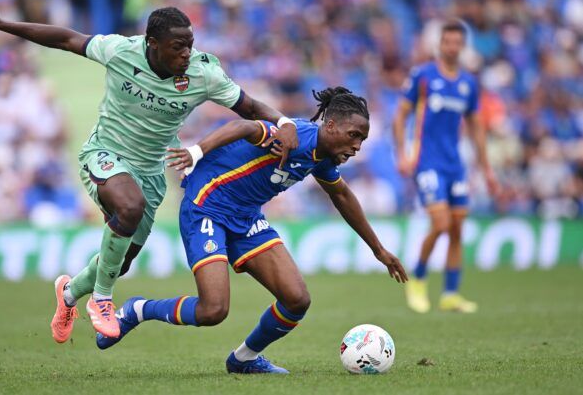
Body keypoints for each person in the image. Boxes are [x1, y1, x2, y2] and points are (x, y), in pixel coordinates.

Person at [0, 0, 299, 342]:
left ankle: (69, 293)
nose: (186, 53)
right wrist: (1, 24)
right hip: (105, 152)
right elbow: (65, 38)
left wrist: (285, 123)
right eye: (178, 47)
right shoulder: (121, 51)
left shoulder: (204, 74)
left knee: (120, 261)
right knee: (129, 207)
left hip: (151, 169)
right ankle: (102, 300)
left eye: (190, 45)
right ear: (152, 43)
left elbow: (250, 107)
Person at [97, 87, 408, 374]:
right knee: (213, 310)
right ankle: (138, 309)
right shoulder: (297, 136)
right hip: (207, 207)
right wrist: (197, 151)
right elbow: (245, 127)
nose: (357, 146)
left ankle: (244, 359)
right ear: (331, 126)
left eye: (362, 140)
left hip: (246, 218)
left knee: (297, 299)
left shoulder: (322, 159)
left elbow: (342, 196)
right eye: (354, 135)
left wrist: (378, 249)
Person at [393, 21, 498, 314]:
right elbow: (400, 116)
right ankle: (418, 279)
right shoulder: (423, 75)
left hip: (455, 165)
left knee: (457, 229)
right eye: (447, 42)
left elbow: (476, 127)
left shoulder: (468, 84)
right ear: (440, 44)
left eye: (456, 43)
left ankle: (450, 294)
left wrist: (487, 169)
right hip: (427, 162)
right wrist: (402, 154)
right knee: (440, 224)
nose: (452, 47)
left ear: (462, 46)